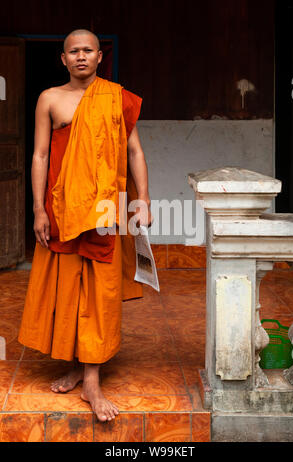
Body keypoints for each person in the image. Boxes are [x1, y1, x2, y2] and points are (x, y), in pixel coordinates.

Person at [18, 29, 153, 422]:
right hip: (62, 209)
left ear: (99, 56)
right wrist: (39, 210)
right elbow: (40, 155)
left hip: (105, 213)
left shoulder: (115, 98)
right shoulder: (50, 98)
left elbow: (134, 150)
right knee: (69, 291)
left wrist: (143, 199)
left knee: (100, 293)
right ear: (63, 58)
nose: (80, 56)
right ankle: (79, 365)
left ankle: (92, 381)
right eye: (73, 51)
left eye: (87, 50)